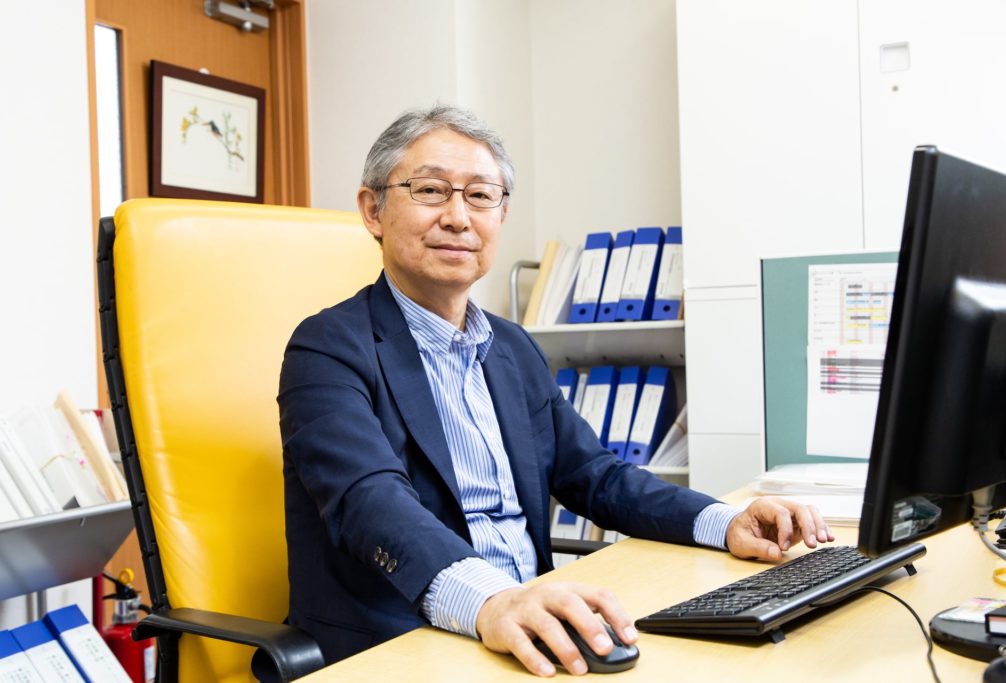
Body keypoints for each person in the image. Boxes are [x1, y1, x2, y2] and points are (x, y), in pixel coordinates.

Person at [278, 104, 834, 677]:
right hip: (404, 638)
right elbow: (371, 503)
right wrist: (493, 601)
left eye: (480, 196)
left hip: (530, 622)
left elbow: (595, 476)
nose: (458, 217)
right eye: (430, 190)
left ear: (501, 214)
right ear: (373, 210)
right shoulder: (326, 349)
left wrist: (724, 521)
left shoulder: (513, 348)